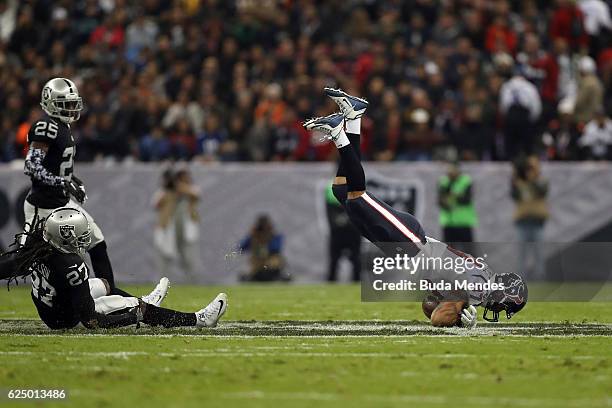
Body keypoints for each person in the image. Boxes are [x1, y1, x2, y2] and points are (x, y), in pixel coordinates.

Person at [304, 88, 527, 327]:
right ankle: (340, 133)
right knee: (357, 197)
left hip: (406, 251)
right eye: (506, 305)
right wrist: (461, 319)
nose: (501, 309)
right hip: (413, 244)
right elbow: (438, 319)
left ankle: (354, 118)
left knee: (342, 190)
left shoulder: (481, 280)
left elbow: (429, 306)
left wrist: (452, 308)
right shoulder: (479, 289)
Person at [0, 208, 227, 330]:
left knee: (106, 285)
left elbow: (7, 269)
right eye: (79, 236)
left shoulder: (38, 245)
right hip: (66, 317)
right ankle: (198, 319)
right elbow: (92, 321)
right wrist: (133, 316)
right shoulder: (71, 265)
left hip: (52, 304)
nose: (83, 240)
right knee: (140, 309)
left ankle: (144, 301)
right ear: (65, 238)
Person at [0, 78, 126, 296]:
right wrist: (64, 182)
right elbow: (32, 166)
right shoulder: (45, 126)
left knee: (96, 240)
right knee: (23, 259)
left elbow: (58, 167)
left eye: (72, 103)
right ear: (50, 103)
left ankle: (110, 294)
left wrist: (73, 180)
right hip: (44, 206)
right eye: (64, 103)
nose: (70, 108)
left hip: (61, 202)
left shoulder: (63, 127)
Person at [152, 167, 201, 278]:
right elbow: (156, 204)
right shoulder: (163, 192)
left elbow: (196, 195)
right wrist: (169, 190)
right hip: (168, 229)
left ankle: (193, 282)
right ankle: (163, 282)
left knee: (189, 257)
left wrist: (179, 187)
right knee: (164, 255)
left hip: (185, 230)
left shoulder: (190, 189)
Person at [511, 156, 549, 280]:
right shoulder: (519, 182)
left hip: (537, 221)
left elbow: (542, 192)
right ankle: (520, 281)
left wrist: (533, 178)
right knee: (521, 254)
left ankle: (540, 279)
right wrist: (518, 176)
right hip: (522, 221)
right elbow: (514, 195)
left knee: (539, 253)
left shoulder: (542, 180)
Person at [325, 183, 362, 282]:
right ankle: (333, 281)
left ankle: (355, 281)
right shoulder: (331, 187)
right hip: (345, 230)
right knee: (337, 259)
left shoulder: (331, 186)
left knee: (355, 259)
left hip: (348, 230)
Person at [437, 160, 477, 249]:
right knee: (449, 252)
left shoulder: (466, 180)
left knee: (468, 251)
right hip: (448, 222)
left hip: (463, 221)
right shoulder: (444, 181)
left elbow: (466, 199)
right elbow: (440, 201)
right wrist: (456, 195)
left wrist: (451, 196)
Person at [238, 214, 287, 282]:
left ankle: (276, 276)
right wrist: (254, 236)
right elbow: (242, 247)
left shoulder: (274, 235)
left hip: (270, 259)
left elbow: (276, 248)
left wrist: (268, 239)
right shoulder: (253, 236)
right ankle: (254, 276)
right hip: (257, 260)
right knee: (255, 269)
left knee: (274, 262)